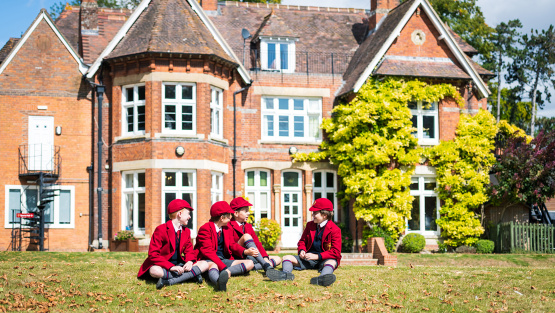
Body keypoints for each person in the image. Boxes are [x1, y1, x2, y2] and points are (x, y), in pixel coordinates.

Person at [136, 199, 208, 289]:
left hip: (180, 264)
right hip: (164, 266)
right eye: (188, 214)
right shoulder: (161, 229)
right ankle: (191, 276)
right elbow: (153, 254)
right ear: (180, 214)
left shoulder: (186, 231)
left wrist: (189, 262)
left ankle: (168, 280)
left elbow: (189, 251)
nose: (189, 217)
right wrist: (170, 267)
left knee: (204, 264)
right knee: (154, 271)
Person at [279, 198, 342, 286]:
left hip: (325, 260)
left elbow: (336, 252)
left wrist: (317, 256)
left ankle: (322, 278)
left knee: (332, 262)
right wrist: (302, 250)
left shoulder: (335, 230)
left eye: (315, 213)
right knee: (286, 257)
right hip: (308, 259)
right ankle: (285, 274)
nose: (313, 215)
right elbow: (302, 242)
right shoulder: (309, 225)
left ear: (325, 215)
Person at [194, 201, 255, 291]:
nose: (231, 218)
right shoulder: (205, 229)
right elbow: (208, 252)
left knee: (250, 263)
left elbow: (232, 244)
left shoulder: (226, 228)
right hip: (209, 260)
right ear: (222, 218)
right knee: (213, 265)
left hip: (223, 259)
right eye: (229, 215)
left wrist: (244, 251)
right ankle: (218, 282)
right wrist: (222, 266)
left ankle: (225, 273)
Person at [228, 197, 289, 281]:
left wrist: (265, 257)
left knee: (277, 259)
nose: (248, 213)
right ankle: (266, 266)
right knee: (246, 236)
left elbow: (257, 243)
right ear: (236, 213)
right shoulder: (228, 226)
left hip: (250, 256)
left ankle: (257, 266)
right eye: (246, 211)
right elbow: (231, 245)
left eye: (248, 211)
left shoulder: (248, 226)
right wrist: (245, 251)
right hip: (238, 256)